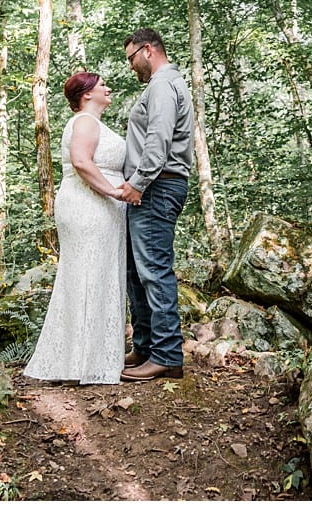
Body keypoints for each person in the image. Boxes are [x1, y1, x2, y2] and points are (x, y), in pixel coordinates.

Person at [23, 72, 128, 385]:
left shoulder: (93, 122)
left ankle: (89, 358)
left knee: (96, 274)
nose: (108, 88)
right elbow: (82, 162)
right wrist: (113, 192)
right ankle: (81, 362)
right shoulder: (84, 121)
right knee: (87, 274)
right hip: (88, 205)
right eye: (101, 86)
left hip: (97, 206)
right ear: (86, 95)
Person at [118, 29, 195, 382]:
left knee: (154, 271)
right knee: (137, 272)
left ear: (148, 50)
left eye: (131, 56)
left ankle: (166, 356)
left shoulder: (163, 85)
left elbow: (158, 141)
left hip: (157, 187)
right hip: (155, 187)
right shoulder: (162, 85)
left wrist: (138, 183)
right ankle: (146, 345)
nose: (130, 64)